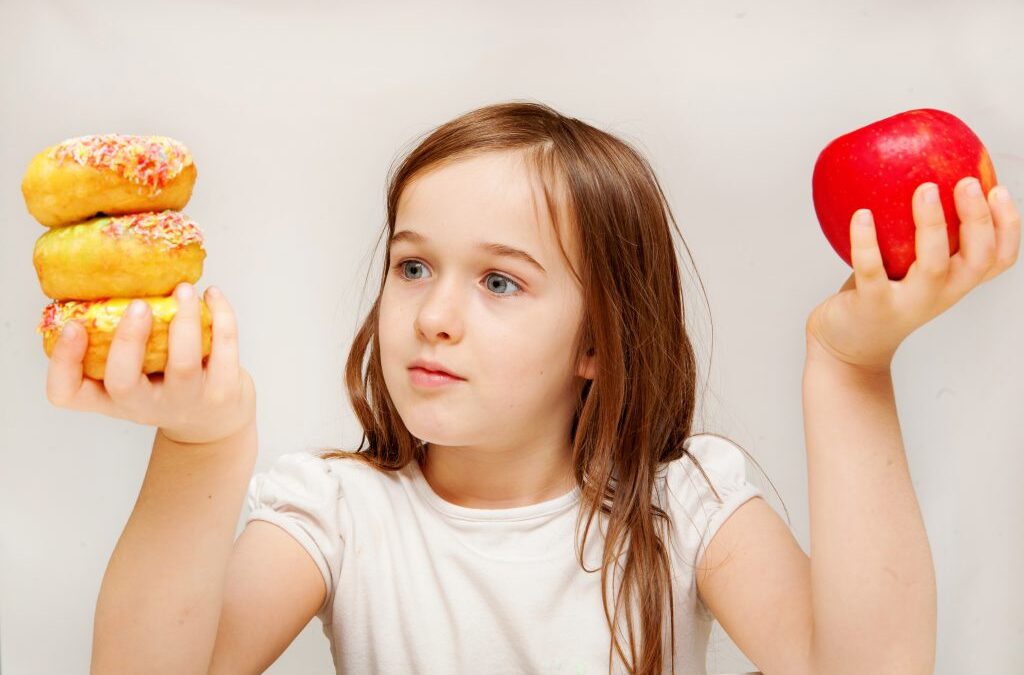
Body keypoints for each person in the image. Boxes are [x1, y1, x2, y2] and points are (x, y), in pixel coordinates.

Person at [46, 101, 1019, 675]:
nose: (433, 314)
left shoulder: (686, 504)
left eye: (500, 282)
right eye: (414, 266)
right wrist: (199, 448)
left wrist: (849, 368)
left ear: (597, 340)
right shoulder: (333, 510)